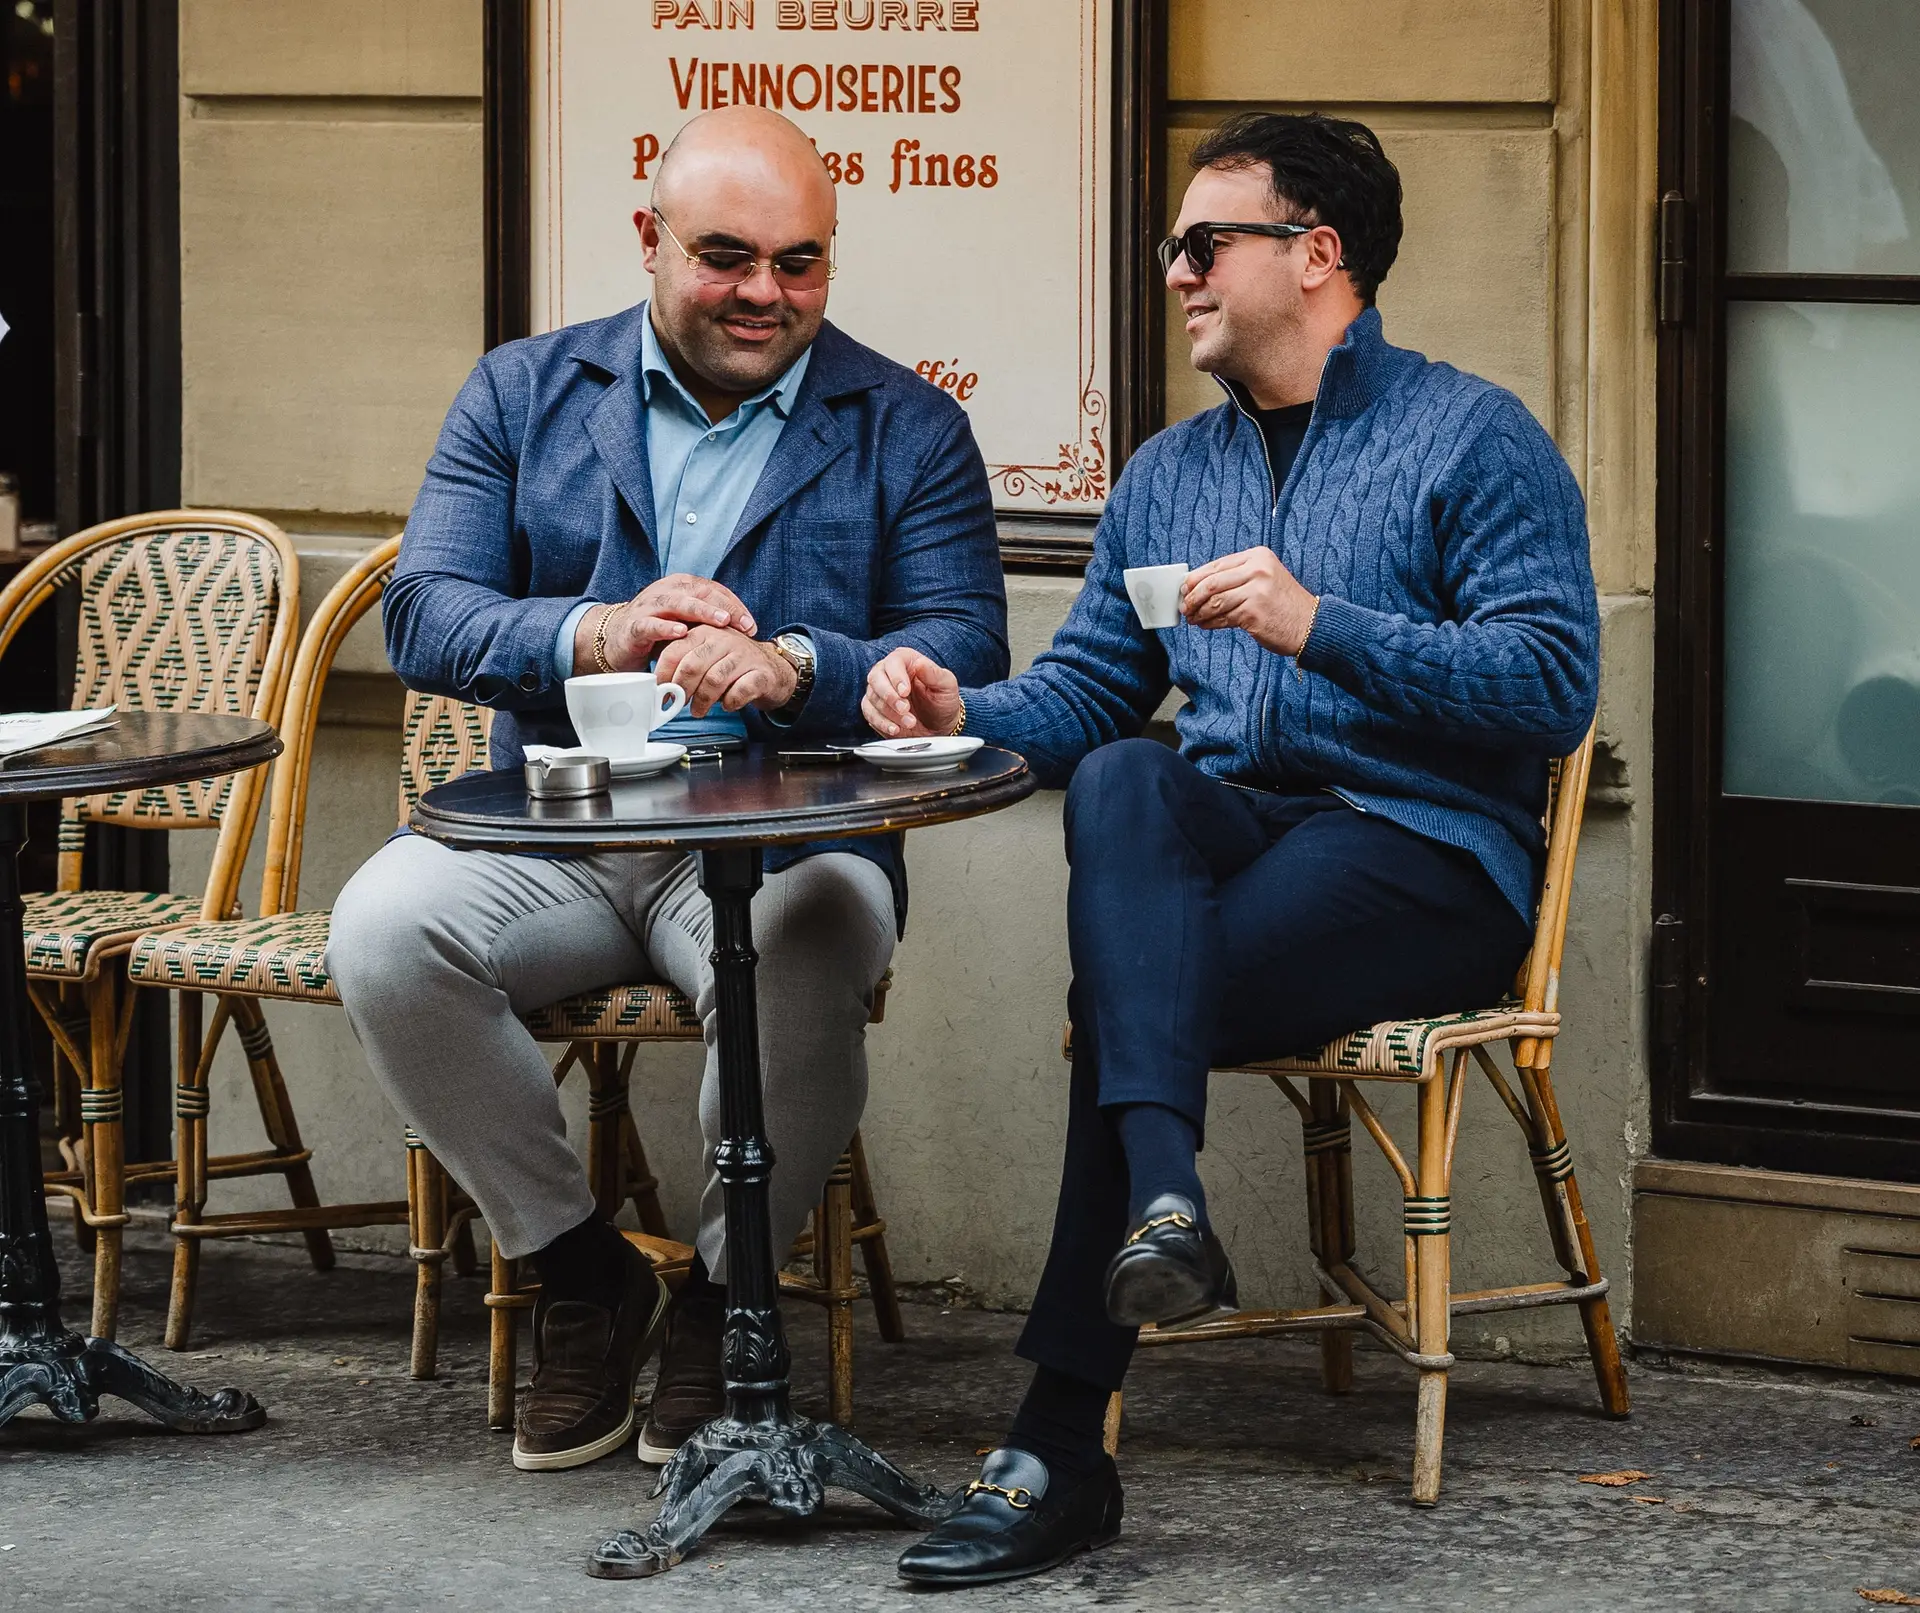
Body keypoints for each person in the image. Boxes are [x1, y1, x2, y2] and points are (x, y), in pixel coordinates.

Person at [863, 112, 1599, 1585]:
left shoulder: (1473, 436)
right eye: (1172, 248)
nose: (1178, 273)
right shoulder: (1168, 471)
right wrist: (961, 704)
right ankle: (1166, 1208)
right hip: (1235, 838)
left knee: (1140, 999)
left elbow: (1550, 681)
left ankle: (1059, 1440)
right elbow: (1083, 697)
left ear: (1315, 255)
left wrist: (1319, 623)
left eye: (1207, 243)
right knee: (1130, 781)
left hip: (1419, 850)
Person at [327, 105, 1008, 1473]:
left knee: (814, 942)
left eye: (801, 262)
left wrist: (796, 663)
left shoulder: (909, 424)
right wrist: (599, 631)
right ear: (650, 240)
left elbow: (967, 640)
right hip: (562, 822)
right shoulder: (521, 394)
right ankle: (578, 1269)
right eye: (727, 255)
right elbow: (426, 614)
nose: (766, 292)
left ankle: (720, 1295)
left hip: (789, 825)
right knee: (384, 935)